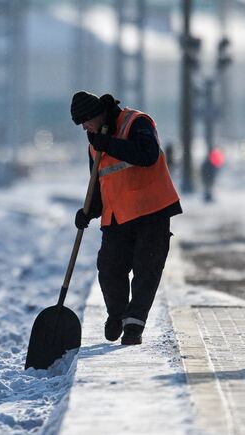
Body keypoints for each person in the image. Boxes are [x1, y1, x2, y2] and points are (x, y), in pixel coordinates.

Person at [70, 91, 182, 345]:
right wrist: (87, 212)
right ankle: (117, 315)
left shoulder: (137, 123)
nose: (85, 128)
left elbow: (147, 154)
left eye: (85, 122)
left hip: (151, 211)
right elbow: (99, 185)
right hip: (117, 217)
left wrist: (108, 144)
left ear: (97, 115)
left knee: (147, 270)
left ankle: (134, 325)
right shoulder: (94, 144)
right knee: (109, 269)